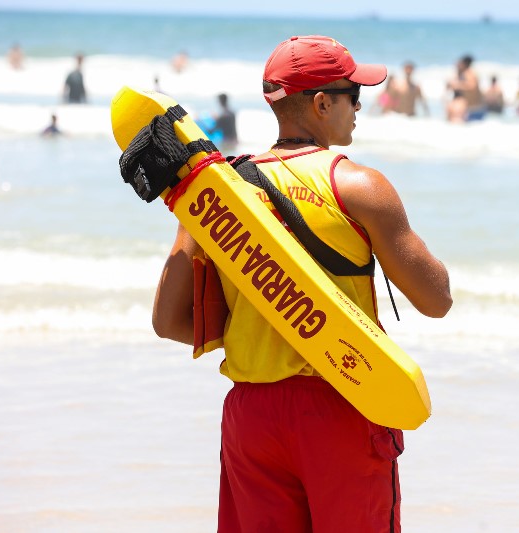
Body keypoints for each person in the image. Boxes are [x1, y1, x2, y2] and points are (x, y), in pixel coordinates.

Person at [152, 34, 452, 532]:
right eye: (353, 94)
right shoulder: (359, 186)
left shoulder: (219, 192)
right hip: (346, 395)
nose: (360, 106)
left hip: (252, 415)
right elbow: (436, 300)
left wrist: (264, 328)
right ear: (321, 104)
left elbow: (168, 321)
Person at [446, 54, 484, 122]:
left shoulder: (470, 74)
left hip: (474, 107)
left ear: (464, 64)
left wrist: (457, 85)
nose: (457, 65)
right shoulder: (461, 74)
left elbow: (472, 86)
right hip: (470, 107)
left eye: (459, 63)